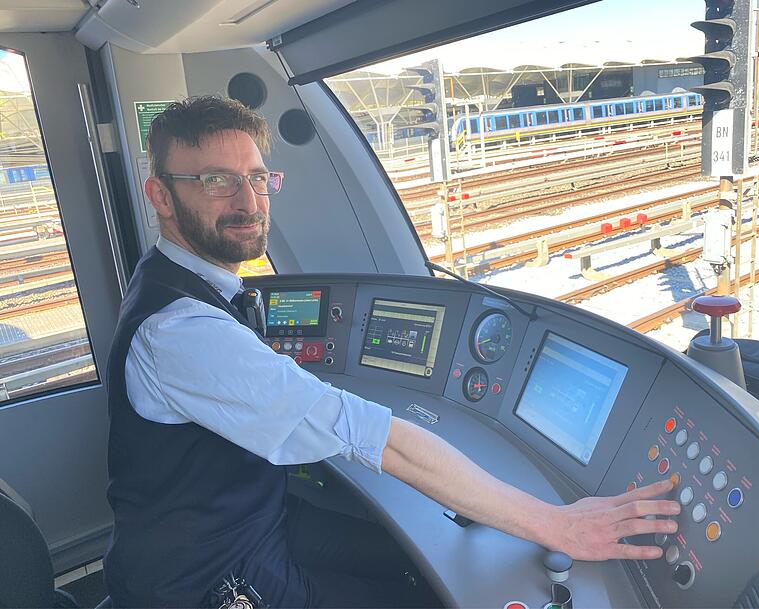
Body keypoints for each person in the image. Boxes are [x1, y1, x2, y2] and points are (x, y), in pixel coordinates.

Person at [104, 96, 680, 608]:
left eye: (257, 177)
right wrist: (558, 526)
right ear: (161, 195)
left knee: (407, 560)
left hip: (249, 521)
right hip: (204, 578)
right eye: (214, 180)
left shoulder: (178, 282)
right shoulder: (180, 330)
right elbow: (376, 438)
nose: (247, 200)